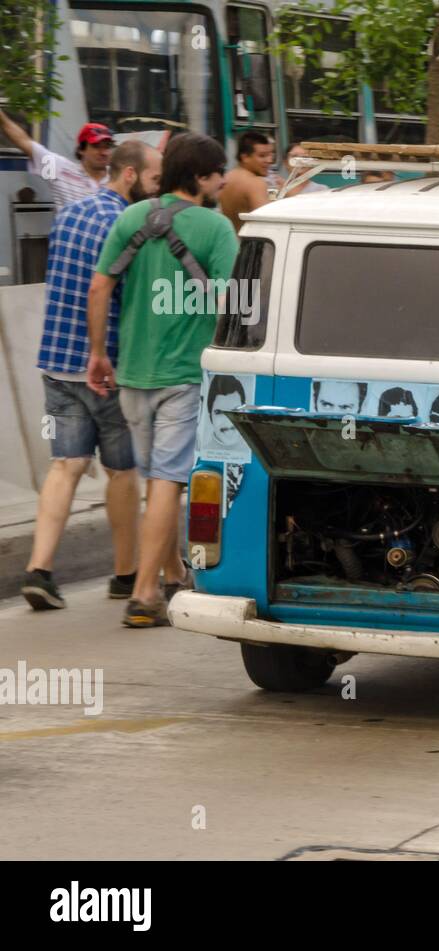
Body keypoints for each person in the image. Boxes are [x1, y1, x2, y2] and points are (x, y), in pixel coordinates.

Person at [86, 132, 238, 628]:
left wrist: (97, 354)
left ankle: (174, 573)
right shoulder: (216, 229)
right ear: (200, 177)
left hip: (132, 374)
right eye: (218, 173)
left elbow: (101, 284)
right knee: (168, 481)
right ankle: (146, 593)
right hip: (183, 376)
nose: (223, 181)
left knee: (159, 483)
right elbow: (234, 304)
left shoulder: (132, 217)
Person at [20, 141, 162, 611]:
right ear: (129, 176)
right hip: (105, 367)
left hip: (56, 363)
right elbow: (125, 299)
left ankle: (39, 570)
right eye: (153, 180)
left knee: (66, 465)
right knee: (121, 471)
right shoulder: (128, 226)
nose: (156, 190)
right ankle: (124, 576)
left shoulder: (71, 213)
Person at [0, 109, 114, 208]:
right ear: (81, 150)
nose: (103, 152)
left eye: (107, 147)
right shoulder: (60, 170)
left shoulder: (118, 177)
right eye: (96, 146)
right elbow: (23, 141)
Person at [219, 130, 274, 233]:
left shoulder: (225, 178)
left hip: (231, 243)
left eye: (270, 155)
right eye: (262, 156)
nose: (269, 160)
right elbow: (267, 224)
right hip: (251, 246)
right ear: (245, 157)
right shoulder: (256, 183)